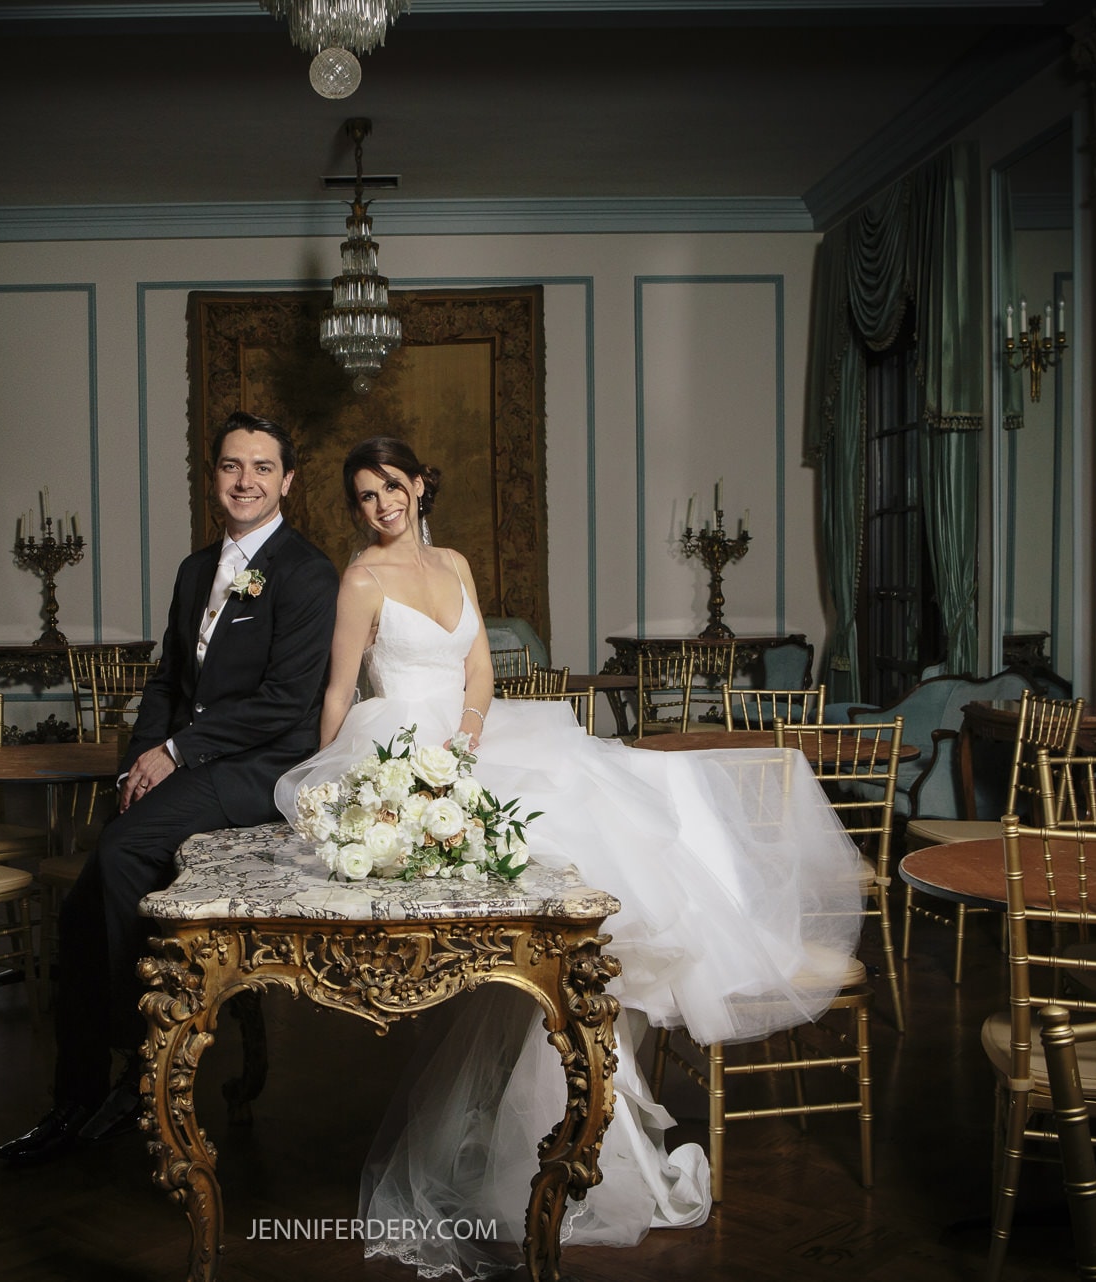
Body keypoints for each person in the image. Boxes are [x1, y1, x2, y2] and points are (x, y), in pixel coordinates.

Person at [274, 437, 864, 1278]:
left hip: (473, 740)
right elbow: (339, 689)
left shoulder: (454, 563)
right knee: (548, 881)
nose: (381, 505)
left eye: (391, 486)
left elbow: (478, 672)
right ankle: (552, 1131)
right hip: (397, 746)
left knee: (634, 803)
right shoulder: (361, 578)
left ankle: (577, 1117)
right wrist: (320, 785)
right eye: (365, 495)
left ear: (418, 485)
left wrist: (467, 737)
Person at [0, 411, 339, 1166]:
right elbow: (165, 682)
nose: (244, 481)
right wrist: (138, 761)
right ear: (212, 477)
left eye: (261, 467)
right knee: (80, 909)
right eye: (231, 465)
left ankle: (138, 1062)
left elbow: (286, 702)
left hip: (259, 771)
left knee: (121, 851)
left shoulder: (308, 573)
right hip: (189, 763)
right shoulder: (194, 570)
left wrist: (177, 752)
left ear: (287, 481)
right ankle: (73, 1097)